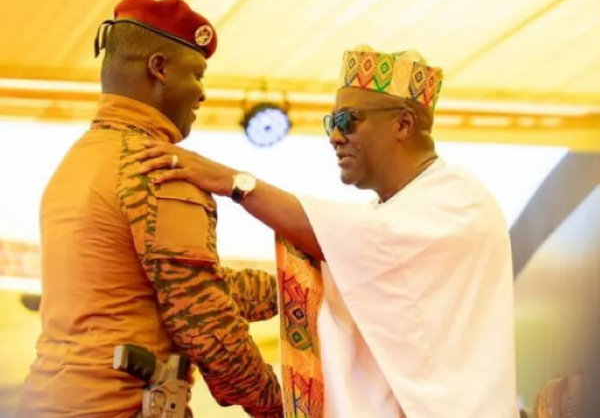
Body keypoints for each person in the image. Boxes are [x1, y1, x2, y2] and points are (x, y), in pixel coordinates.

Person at [135, 45, 520, 418]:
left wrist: (232, 181)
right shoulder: (394, 213)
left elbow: (331, 235)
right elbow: (323, 280)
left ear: (403, 124)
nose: (335, 137)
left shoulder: (457, 202)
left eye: (348, 121)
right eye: (332, 123)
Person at [17, 0, 282, 418]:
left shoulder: (81, 160)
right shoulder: (157, 170)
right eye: (197, 75)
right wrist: (288, 408)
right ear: (158, 68)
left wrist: (293, 291)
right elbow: (206, 324)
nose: (202, 95)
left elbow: (173, 289)